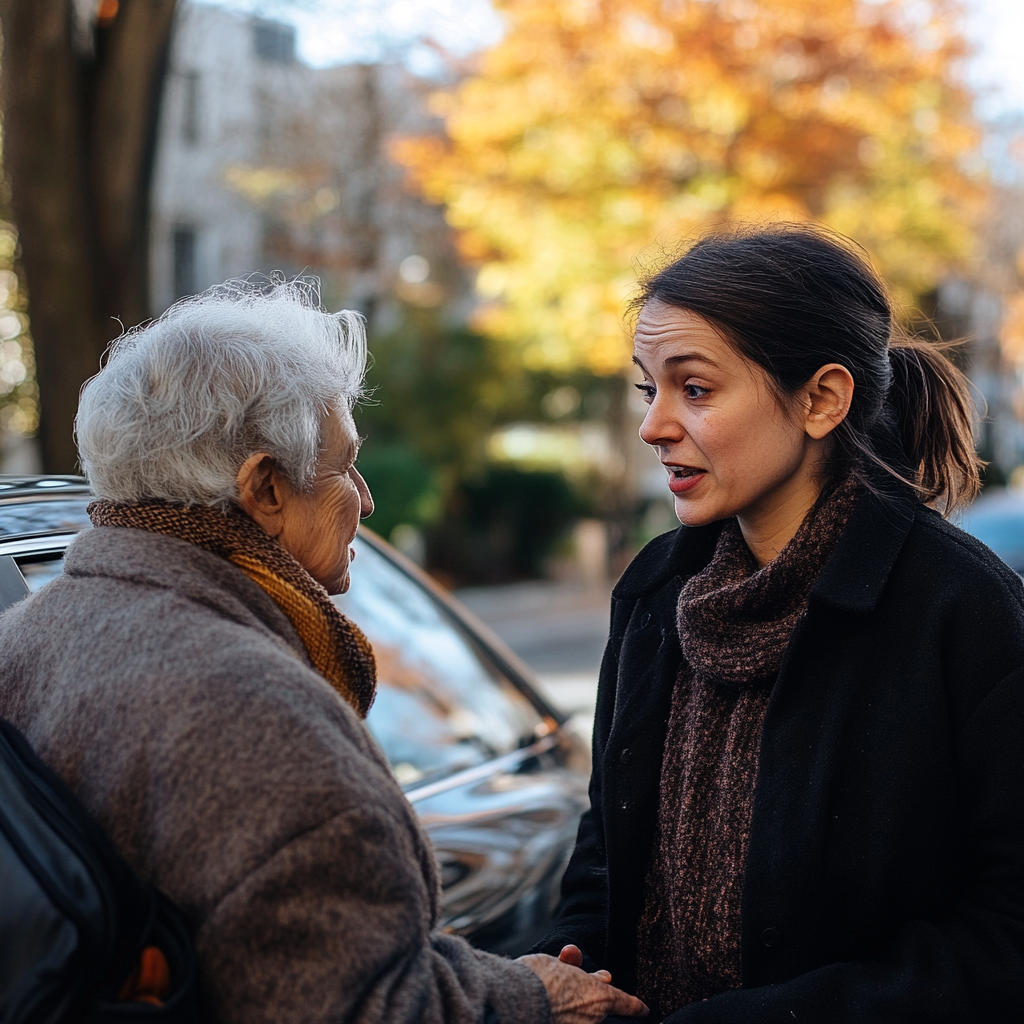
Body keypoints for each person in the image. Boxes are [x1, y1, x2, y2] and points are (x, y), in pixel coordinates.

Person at [0, 278, 648, 1024]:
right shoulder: (251, 707)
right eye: (344, 465)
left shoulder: (24, 636)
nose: (367, 499)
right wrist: (532, 996)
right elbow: (361, 1005)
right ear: (266, 489)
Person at [534, 225, 1024, 1021]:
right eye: (646, 389)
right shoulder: (657, 592)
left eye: (694, 389)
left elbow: (1005, 933)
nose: (654, 426)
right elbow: (608, 849)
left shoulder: (963, 613)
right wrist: (570, 964)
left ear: (822, 399)